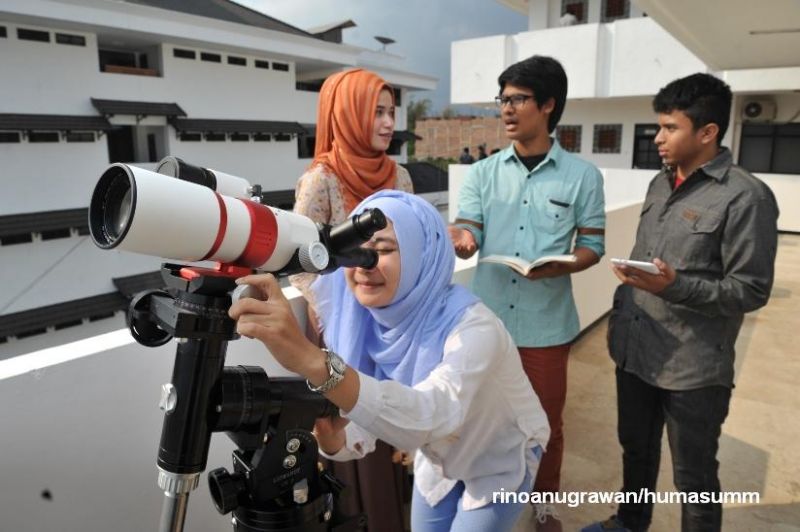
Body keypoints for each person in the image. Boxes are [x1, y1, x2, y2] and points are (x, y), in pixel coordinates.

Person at [230, 190, 551, 531]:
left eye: (383, 250)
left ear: (421, 257)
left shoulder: (474, 328)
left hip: (500, 456)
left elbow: (431, 412)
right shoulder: (366, 324)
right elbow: (363, 428)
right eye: (357, 253)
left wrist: (314, 362)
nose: (364, 267)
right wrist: (326, 432)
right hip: (439, 458)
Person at [582, 74, 779, 532]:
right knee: (636, 450)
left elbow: (751, 289)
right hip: (635, 352)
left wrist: (673, 287)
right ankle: (630, 523)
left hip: (692, 369)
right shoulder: (659, 183)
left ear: (707, 132)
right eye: (659, 126)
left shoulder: (745, 197)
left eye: (670, 127)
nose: (658, 137)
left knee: (694, 477)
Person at [448, 55, 606, 532]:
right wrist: (464, 239)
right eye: (503, 100)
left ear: (548, 105)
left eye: (518, 99)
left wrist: (566, 263)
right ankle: (479, 498)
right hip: (488, 319)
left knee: (546, 425)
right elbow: (468, 226)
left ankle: (545, 507)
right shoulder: (482, 173)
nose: (507, 110)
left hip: (546, 323)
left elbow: (593, 244)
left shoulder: (582, 176)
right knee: (479, 418)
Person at [289, 68, 413, 532]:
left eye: (391, 112)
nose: (387, 123)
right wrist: (342, 304)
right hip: (341, 330)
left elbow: (413, 244)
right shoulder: (321, 180)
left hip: (392, 323)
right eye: (375, 112)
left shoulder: (398, 174)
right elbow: (299, 259)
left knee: (395, 417)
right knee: (350, 426)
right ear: (347, 114)